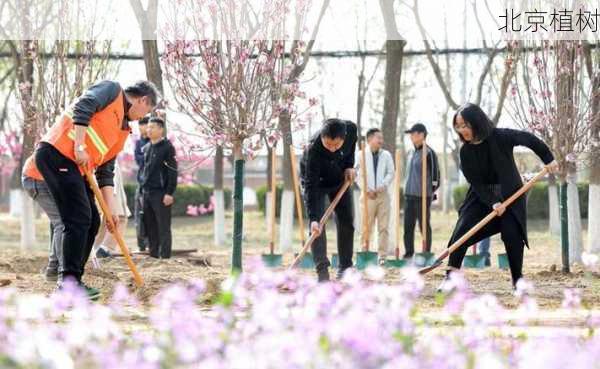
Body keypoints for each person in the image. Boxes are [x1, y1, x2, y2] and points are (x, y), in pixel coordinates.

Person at [23, 79, 159, 299]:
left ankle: (74, 279)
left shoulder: (123, 131)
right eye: (147, 110)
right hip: (57, 153)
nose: (144, 117)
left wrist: (110, 210)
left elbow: (105, 173)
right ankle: (67, 285)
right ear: (143, 99)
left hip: (75, 167)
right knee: (77, 219)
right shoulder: (112, 90)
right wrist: (80, 145)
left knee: (93, 221)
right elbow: (83, 106)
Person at [440, 103, 559, 290]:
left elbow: (528, 139)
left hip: (510, 193)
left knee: (512, 235)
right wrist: (493, 201)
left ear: (476, 122)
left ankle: (517, 282)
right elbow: (476, 183)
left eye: (465, 125)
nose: (462, 130)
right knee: (461, 233)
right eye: (458, 126)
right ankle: (450, 278)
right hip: (482, 196)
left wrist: (548, 158)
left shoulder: (500, 137)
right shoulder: (465, 152)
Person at [300, 118, 357, 282]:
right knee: (317, 227)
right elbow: (310, 186)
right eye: (328, 145)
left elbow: (351, 148)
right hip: (316, 182)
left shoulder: (351, 130)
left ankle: (345, 267)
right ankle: (322, 272)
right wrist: (313, 218)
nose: (332, 149)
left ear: (343, 138)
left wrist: (349, 165)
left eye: (336, 145)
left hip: (339, 178)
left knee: (346, 220)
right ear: (322, 137)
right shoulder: (313, 150)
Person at [354, 128, 395, 265]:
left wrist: (383, 185)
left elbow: (391, 172)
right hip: (367, 196)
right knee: (366, 226)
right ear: (370, 139)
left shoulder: (386, 155)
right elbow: (357, 175)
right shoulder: (360, 155)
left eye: (382, 138)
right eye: (378, 138)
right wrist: (366, 190)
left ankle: (382, 256)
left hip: (383, 196)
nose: (381, 141)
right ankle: (364, 252)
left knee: (383, 227)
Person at [140, 117, 178, 259]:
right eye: (148, 127)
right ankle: (153, 256)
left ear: (161, 129)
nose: (149, 130)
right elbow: (144, 172)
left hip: (161, 193)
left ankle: (165, 258)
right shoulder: (147, 147)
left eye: (153, 127)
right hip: (146, 193)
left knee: (163, 227)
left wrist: (169, 192)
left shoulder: (167, 147)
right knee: (150, 226)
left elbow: (172, 171)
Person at [402, 123, 440, 259]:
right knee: (407, 227)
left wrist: (430, 191)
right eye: (411, 134)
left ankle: (426, 252)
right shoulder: (410, 152)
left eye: (414, 134)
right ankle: (408, 253)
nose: (411, 136)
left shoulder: (430, 153)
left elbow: (436, 177)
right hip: (409, 196)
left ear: (422, 135)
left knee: (424, 226)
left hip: (423, 196)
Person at [21, 174, 63, 281]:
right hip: (39, 178)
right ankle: (63, 272)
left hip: (49, 178)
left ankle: (54, 269)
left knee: (60, 221)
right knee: (62, 223)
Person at [93, 159, 131, 258]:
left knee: (106, 218)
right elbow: (109, 175)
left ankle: (98, 247)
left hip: (104, 184)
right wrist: (112, 196)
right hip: (108, 186)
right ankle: (105, 248)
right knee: (119, 217)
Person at [134, 116, 150, 252]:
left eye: (143, 125)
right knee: (139, 214)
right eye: (140, 125)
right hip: (141, 182)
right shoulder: (139, 142)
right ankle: (141, 244)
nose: (141, 128)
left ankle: (152, 242)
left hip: (153, 184)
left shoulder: (156, 142)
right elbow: (139, 160)